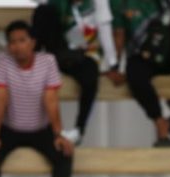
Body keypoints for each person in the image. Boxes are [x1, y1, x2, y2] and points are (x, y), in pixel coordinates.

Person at [0, 21, 74, 177]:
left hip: (41, 130)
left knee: (63, 155)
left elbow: (51, 100)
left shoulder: (48, 61)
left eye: (22, 40)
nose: (17, 46)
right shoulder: (4, 62)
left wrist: (59, 135)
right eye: (12, 42)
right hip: (10, 129)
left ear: (33, 42)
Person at [111, 0, 170, 146]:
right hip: (143, 57)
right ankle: (161, 125)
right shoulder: (119, 4)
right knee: (133, 71)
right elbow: (119, 34)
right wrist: (115, 67)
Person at [32, 0, 121, 145]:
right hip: (59, 49)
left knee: (90, 75)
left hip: (85, 52)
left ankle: (79, 130)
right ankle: (31, 60)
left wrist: (113, 64)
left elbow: (105, 30)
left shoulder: (98, 2)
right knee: (43, 11)